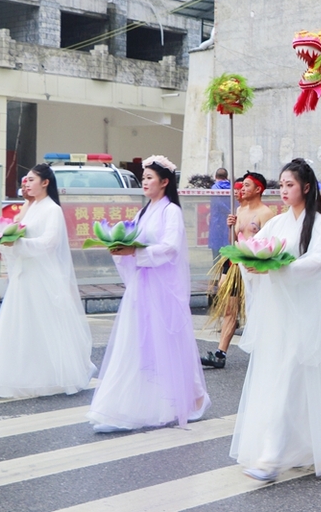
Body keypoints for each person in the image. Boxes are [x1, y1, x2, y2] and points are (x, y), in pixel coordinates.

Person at [230, 158, 321, 482]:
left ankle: (271, 458)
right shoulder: (277, 222)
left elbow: (318, 261)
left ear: (305, 187)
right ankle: (300, 448)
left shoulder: (317, 223)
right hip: (280, 317)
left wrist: (280, 268)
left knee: (287, 382)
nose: (284, 190)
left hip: (305, 316)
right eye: (282, 184)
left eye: (290, 184)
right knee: (283, 381)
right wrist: (250, 260)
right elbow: (258, 248)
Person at [87, 155, 210, 432]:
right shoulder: (143, 212)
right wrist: (122, 250)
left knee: (166, 344)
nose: (145, 182)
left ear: (165, 182)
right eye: (143, 178)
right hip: (142, 286)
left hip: (163, 289)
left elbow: (170, 248)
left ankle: (182, 400)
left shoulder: (171, 212)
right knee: (138, 344)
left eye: (150, 178)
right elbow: (133, 240)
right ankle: (125, 405)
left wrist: (137, 252)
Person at [0, 164, 96, 399]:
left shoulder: (52, 210)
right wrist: (5, 245)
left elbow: (49, 243)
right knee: (19, 324)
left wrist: (17, 245)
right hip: (24, 275)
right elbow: (16, 231)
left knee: (43, 324)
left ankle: (48, 376)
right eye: (26, 180)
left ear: (45, 183)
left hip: (41, 276)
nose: (27, 183)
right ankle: (13, 375)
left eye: (32, 180)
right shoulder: (29, 207)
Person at [202, 171, 276, 369]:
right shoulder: (239, 212)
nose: (242, 189)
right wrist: (230, 227)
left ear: (258, 189)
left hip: (255, 267)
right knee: (230, 309)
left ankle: (265, 351)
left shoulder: (266, 214)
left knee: (258, 310)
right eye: (242, 186)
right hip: (236, 267)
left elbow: (269, 245)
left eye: (247, 186)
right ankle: (220, 353)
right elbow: (232, 243)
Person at [208, 168, 231, 261]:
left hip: (217, 222)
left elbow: (217, 203)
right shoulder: (232, 188)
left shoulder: (215, 187)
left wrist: (226, 211)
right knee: (228, 248)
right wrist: (230, 212)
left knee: (217, 251)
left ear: (215, 177)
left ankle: (217, 273)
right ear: (226, 177)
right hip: (229, 221)